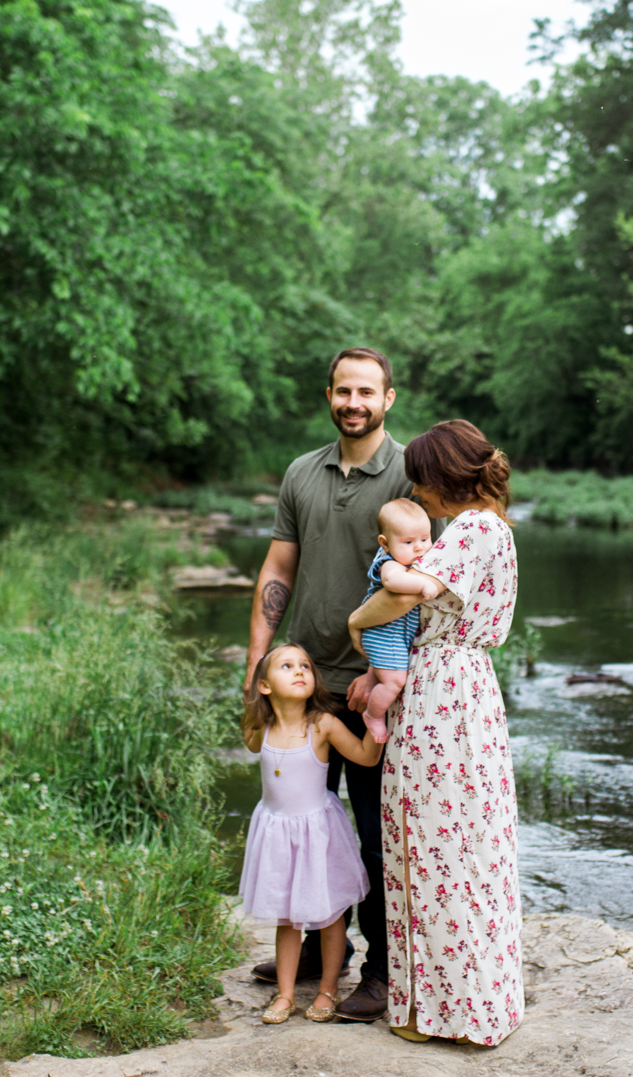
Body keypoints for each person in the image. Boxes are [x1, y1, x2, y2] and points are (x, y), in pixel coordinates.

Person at [244, 347, 444, 1022]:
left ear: (389, 398)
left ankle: (381, 970)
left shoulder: (413, 476)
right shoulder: (303, 472)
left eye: (367, 391)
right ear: (328, 395)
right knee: (298, 823)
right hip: (305, 687)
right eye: (343, 391)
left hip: (373, 691)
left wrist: (381, 672)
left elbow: (424, 585)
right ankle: (300, 954)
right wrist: (259, 661)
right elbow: (278, 565)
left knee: (374, 834)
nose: (353, 402)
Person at [348, 419, 524, 1047]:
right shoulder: (489, 529)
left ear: (445, 477)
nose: (418, 494)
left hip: (444, 696)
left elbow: (403, 595)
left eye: (422, 482)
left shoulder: (475, 527)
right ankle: (447, 1000)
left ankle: (446, 1009)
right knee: (457, 842)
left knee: (436, 844)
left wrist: (355, 617)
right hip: (459, 689)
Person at [240, 643, 381, 1024]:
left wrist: (376, 721)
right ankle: (285, 994)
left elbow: (366, 757)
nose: (300, 670)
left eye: (305, 665)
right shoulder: (263, 728)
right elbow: (249, 740)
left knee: (330, 914)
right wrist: (249, 703)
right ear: (266, 686)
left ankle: (327, 989)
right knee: (287, 917)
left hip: (318, 835)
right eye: (287, 666)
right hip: (278, 834)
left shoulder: (322, 724)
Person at [360, 499, 438, 743]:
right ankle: (373, 715)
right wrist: (423, 584)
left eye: (425, 539)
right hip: (383, 633)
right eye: (408, 542)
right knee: (395, 682)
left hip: (394, 634)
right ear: (385, 543)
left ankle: (372, 696)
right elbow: (393, 582)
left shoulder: (408, 559)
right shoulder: (388, 563)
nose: (419, 548)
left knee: (381, 676)